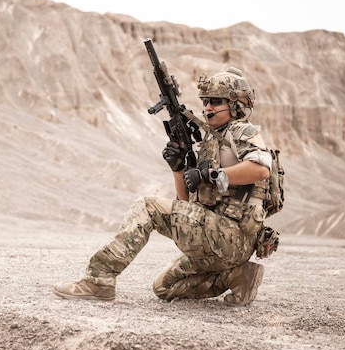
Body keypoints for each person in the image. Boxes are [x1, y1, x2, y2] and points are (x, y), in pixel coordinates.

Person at [53, 67, 272, 306]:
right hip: (216, 239)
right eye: (206, 101)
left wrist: (209, 174)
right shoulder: (212, 140)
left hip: (232, 236)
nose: (208, 107)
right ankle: (239, 276)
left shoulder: (241, 130)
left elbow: (260, 169)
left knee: (148, 206)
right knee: (164, 288)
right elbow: (186, 205)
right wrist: (178, 169)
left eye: (216, 102)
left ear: (236, 105)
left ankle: (99, 280)